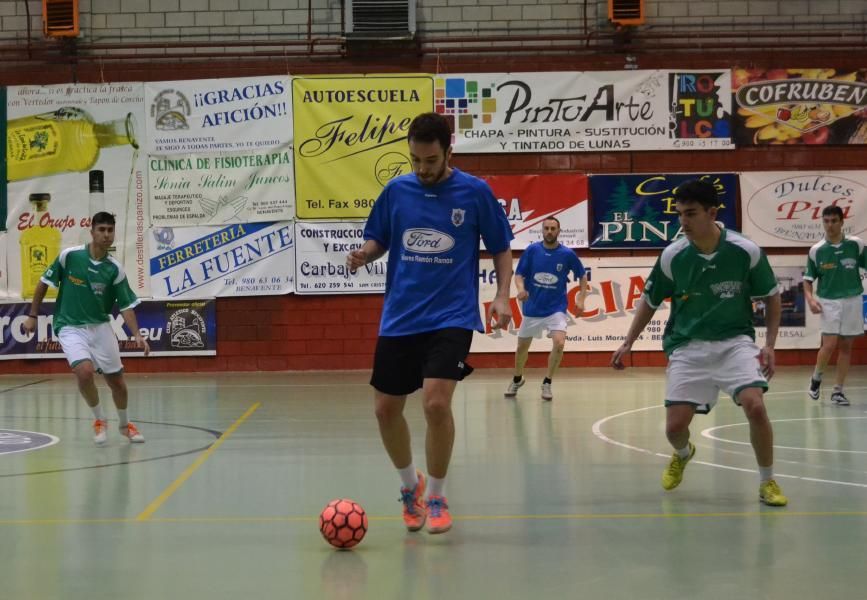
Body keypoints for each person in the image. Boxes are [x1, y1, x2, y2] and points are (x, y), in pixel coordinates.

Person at [346, 112, 514, 534]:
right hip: (401, 315)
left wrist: (500, 295)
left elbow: (500, 248)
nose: (422, 169)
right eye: (416, 160)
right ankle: (411, 488)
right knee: (386, 410)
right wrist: (366, 253)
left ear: (448, 152)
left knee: (436, 403)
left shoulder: (475, 192)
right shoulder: (396, 190)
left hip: (451, 315)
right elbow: (379, 237)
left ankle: (437, 495)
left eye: (431, 161)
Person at [609, 179, 787, 507]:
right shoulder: (673, 256)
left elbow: (773, 298)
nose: (683, 222)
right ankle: (683, 452)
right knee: (674, 428)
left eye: (690, 214)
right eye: (679, 215)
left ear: (712, 212)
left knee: (756, 406)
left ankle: (767, 481)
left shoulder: (745, 251)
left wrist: (770, 345)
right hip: (687, 346)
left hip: (735, 343)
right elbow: (649, 301)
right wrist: (627, 342)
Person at [23, 212, 149, 446]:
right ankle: (99, 420)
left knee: (117, 383)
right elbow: (43, 283)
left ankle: (125, 425)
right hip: (69, 325)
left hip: (100, 327)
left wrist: (137, 335)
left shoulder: (114, 269)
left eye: (110, 230)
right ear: (92, 232)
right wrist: (32, 315)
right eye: (101, 229)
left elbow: (126, 307)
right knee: (84, 372)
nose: (106, 234)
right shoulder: (69, 257)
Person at [505, 216, 587, 401]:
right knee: (521, 348)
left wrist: (581, 298)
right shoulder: (532, 251)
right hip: (532, 308)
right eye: (546, 228)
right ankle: (517, 378)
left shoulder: (567, 254)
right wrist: (521, 289)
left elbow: (582, 277)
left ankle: (547, 382)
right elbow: (518, 275)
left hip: (556, 308)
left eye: (553, 228)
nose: (549, 231)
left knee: (559, 343)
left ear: (559, 231)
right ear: (542, 231)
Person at [804, 205, 866, 406]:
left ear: (842, 222)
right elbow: (807, 280)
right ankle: (816, 378)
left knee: (846, 346)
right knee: (829, 344)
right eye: (826, 221)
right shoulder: (817, 250)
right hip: (829, 301)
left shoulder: (856, 245)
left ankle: (838, 391)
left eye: (833, 221)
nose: (829, 225)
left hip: (853, 299)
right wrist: (811, 299)